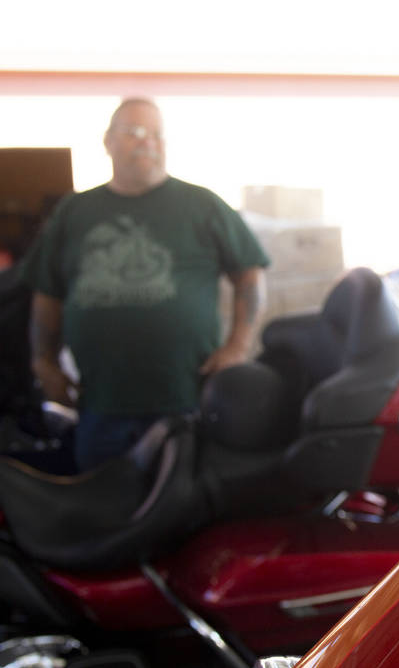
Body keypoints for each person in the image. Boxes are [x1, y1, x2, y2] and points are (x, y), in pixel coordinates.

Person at [19, 97, 270, 471]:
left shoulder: (201, 205)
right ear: (108, 142)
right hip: (100, 407)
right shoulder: (75, 211)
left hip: (186, 403)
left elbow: (250, 275)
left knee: (184, 518)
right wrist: (44, 362)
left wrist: (238, 346)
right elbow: (48, 294)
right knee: (101, 515)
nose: (148, 142)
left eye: (156, 134)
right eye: (135, 132)